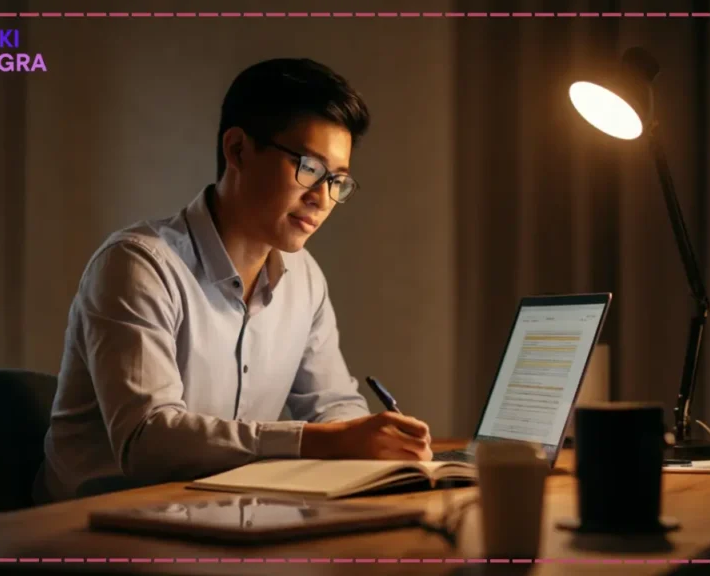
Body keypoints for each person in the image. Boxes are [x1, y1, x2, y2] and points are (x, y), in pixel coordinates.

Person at [34, 58, 433, 504]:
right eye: (309, 168)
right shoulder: (138, 265)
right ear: (238, 149)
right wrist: (324, 441)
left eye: (337, 180)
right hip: (93, 524)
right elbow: (147, 441)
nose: (322, 198)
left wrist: (376, 444)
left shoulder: (304, 278)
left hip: (218, 515)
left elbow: (332, 405)